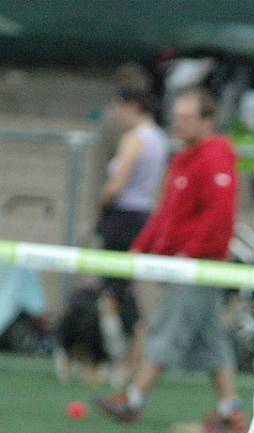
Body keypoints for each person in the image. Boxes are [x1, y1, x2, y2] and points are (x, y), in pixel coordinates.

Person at [95, 87, 245, 433]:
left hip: (200, 266)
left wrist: (187, 255)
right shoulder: (183, 157)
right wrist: (141, 249)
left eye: (188, 118)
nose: (179, 124)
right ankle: (230, 410)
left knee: (164, 329)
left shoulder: (215, 156)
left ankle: (132, 401)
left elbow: (220, 217)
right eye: (176, 117)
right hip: (184, 263)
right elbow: (166, 215)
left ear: (208, 120)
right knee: (211, 340)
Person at [98, 85, 168, 355]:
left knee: (117, 291)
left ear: (132, 106)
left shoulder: (134, 138)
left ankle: (134, 355)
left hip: (123, 216)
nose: (116, 114)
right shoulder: (160, 138)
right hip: (143, 216)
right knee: (124, 289)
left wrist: (102, 203)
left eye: (119, 107)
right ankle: (134, 354)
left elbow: (117, 184)